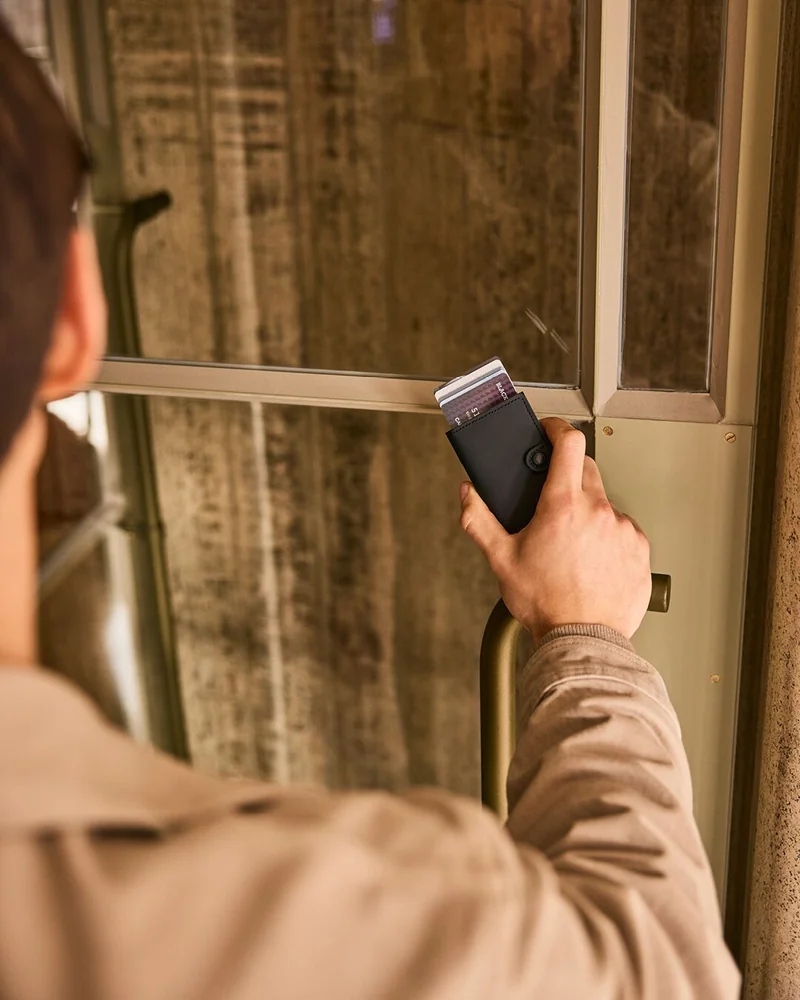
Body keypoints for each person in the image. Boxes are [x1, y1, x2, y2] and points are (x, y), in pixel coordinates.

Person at [0, 19, 739, 1000]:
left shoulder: (645, 149)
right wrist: (587, 637)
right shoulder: (284, 916)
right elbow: (658, 969)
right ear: (77, 318)